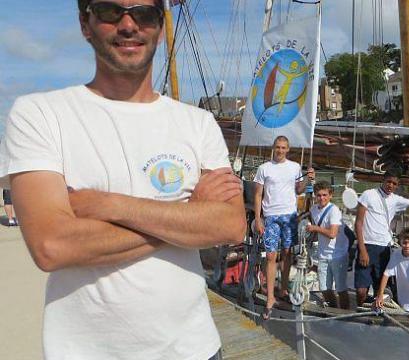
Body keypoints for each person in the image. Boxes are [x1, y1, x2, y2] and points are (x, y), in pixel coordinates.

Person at [0, 1, 246, 359]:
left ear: (160, 28)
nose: (128, 24)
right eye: (110, 11)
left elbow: (231, 225)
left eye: (144, 13)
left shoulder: (198, 123)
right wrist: (189, 216)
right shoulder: (39, 114)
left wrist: (106, 205)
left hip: (195, 349)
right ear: (86, 23)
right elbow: (52, 245)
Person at [253, 135, 315, 319]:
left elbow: (298, 190)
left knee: (287, 252)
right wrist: (258, 218)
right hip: (271, 216)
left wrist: (308, 179)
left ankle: (284, 289)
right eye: (277, 147)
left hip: (289, 216)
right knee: (271, 255)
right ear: (274, 148)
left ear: (288, 149)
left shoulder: (295, 167)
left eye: (283, 148)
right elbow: (258, 195)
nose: (280, 150)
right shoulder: (264, 168)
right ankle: (270, 297)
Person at [354, 170, 409, 306]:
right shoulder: (368, 195)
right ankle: (360, 310)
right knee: (361, 291)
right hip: (367, 245)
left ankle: (376, 313)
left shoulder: (395, 200)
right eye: (388, 182)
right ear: (383, 180)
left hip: (384, 247)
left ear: (397, 185)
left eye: (394, 183)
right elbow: (358, 222)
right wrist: (362, 249)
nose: (390, 185)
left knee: (379, 288)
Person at [306, 181, 350, 309]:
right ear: (315, 195)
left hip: (338, 255)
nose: (322, 198)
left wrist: (314, 228)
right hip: (322, 254)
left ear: (330, 195)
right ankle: (333, 309)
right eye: (319, 195)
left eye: (325, 195)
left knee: (341, 289)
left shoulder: (334, 211)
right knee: (324, 288)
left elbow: (332, 233)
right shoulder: (313, 209)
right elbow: (316, 229)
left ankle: (345, 313)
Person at [375, 226, 409, 322]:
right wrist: (380, 295)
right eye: (404, 243)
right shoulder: (396, 255)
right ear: (400, 242)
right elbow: (386, 275)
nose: (407, 246)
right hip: (404, 302)